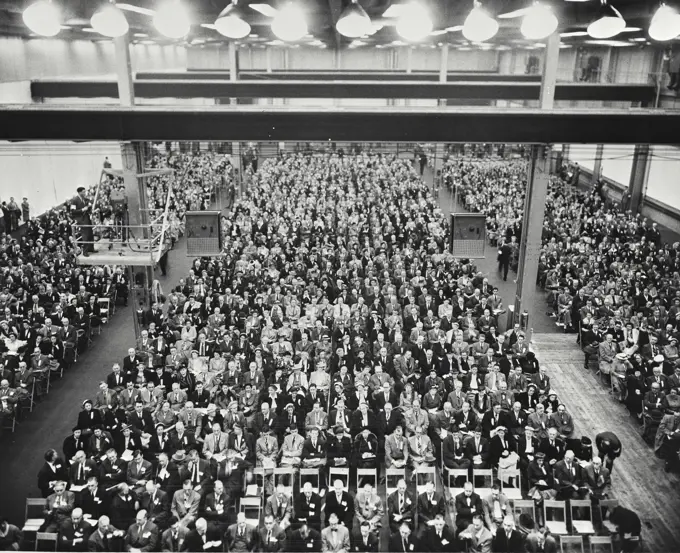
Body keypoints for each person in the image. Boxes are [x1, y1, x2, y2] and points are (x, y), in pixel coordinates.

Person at [71, 186, 94, 256]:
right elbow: (73, 211)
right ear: (79, 192)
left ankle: (91, 248)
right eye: (83, 192)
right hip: (81, 220)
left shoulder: (84, 198)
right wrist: (82, 210)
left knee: (90, 233)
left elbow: (89, 201)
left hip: (87, 218)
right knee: (85, 235)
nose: (85, 193)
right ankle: (85, 251)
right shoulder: (74, 200)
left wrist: (89, 205)